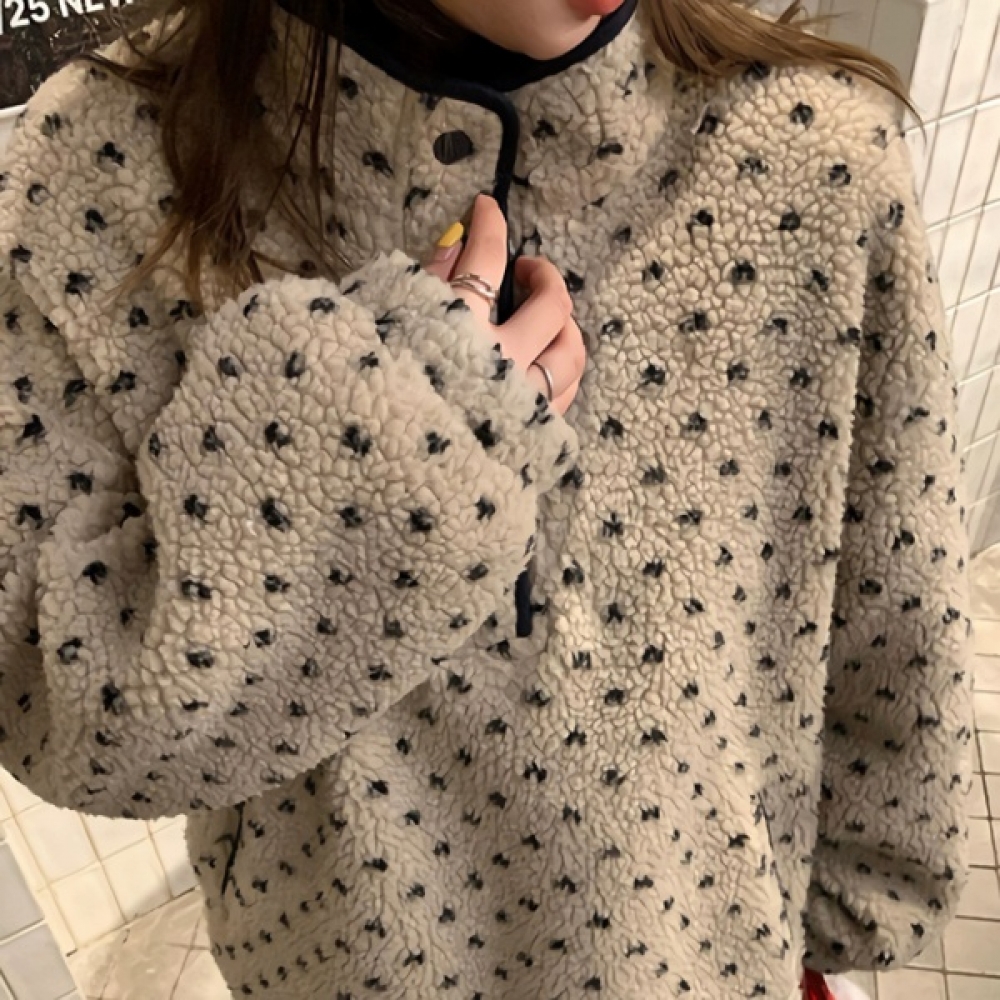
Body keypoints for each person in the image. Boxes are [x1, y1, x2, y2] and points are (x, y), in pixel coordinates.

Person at [0, 1, 974, 998]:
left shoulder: (813, 150)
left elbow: (894, 595)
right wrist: (379, 449)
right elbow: (58, 707)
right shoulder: (98, 168)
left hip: (715, 954)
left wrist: (838, 905)